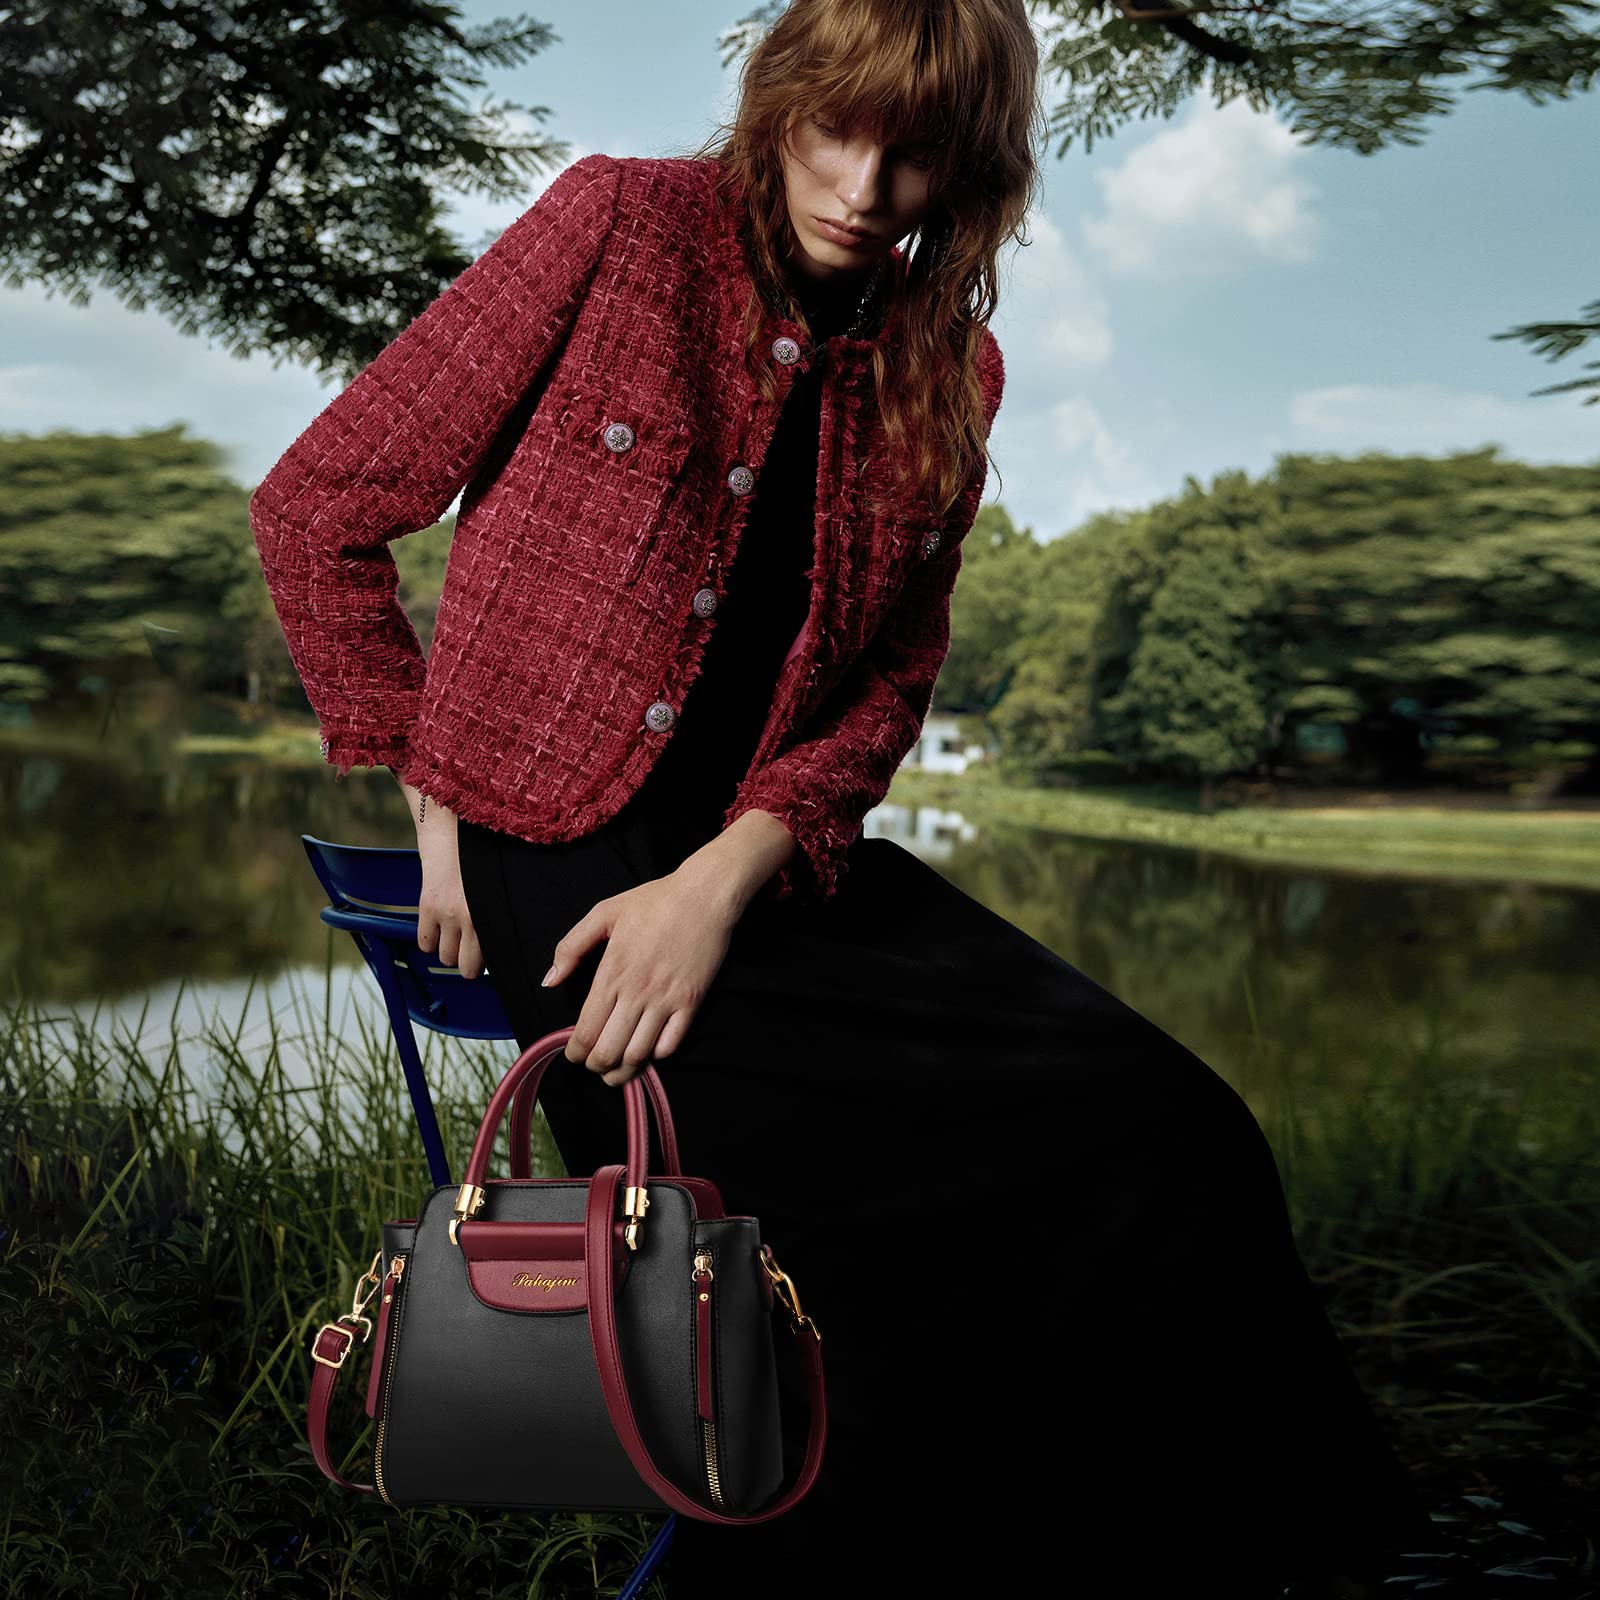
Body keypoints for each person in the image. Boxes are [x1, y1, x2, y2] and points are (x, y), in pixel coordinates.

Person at [251, 3, 1431, 1593]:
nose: (866, 188)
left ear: (974, 171)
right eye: (837, 130)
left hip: (768, 873)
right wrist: (434, 791)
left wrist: (724, 878)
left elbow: (883, 692)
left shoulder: (956, 366)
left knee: (1180, 1130)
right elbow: (318, 505)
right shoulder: (619, 224)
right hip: (567, 871)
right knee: (891, 1229)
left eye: (915, 153)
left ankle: (1208, 1559)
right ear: (780, 104)